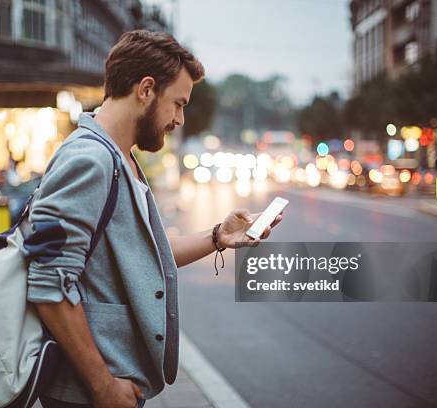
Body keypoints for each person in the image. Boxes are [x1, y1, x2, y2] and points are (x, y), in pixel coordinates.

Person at [25, 30, 284, 408]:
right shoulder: (89, 159)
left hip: (110, 384)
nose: (180, 119)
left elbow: (143, 257)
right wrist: (102, 386)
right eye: (177, 103)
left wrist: (218, 235)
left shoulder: (119, 158)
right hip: (86, 393)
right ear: (146, 89)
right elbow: (49, 283)